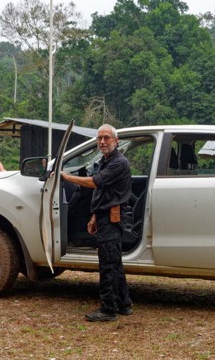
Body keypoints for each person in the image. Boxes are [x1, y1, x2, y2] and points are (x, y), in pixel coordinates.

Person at [61, 124, 133, 322]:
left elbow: (95, 183)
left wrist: (67, 177)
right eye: (99, 138)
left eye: (107, 138)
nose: (102, 141)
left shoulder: (119, 162)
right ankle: (124, 304)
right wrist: (94, 216)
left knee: (107, 265)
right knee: (115, 262)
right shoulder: (105, 160)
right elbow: (102, 193)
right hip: (104, 216)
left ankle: (108, 309)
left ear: (116, 141)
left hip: (112, 218)